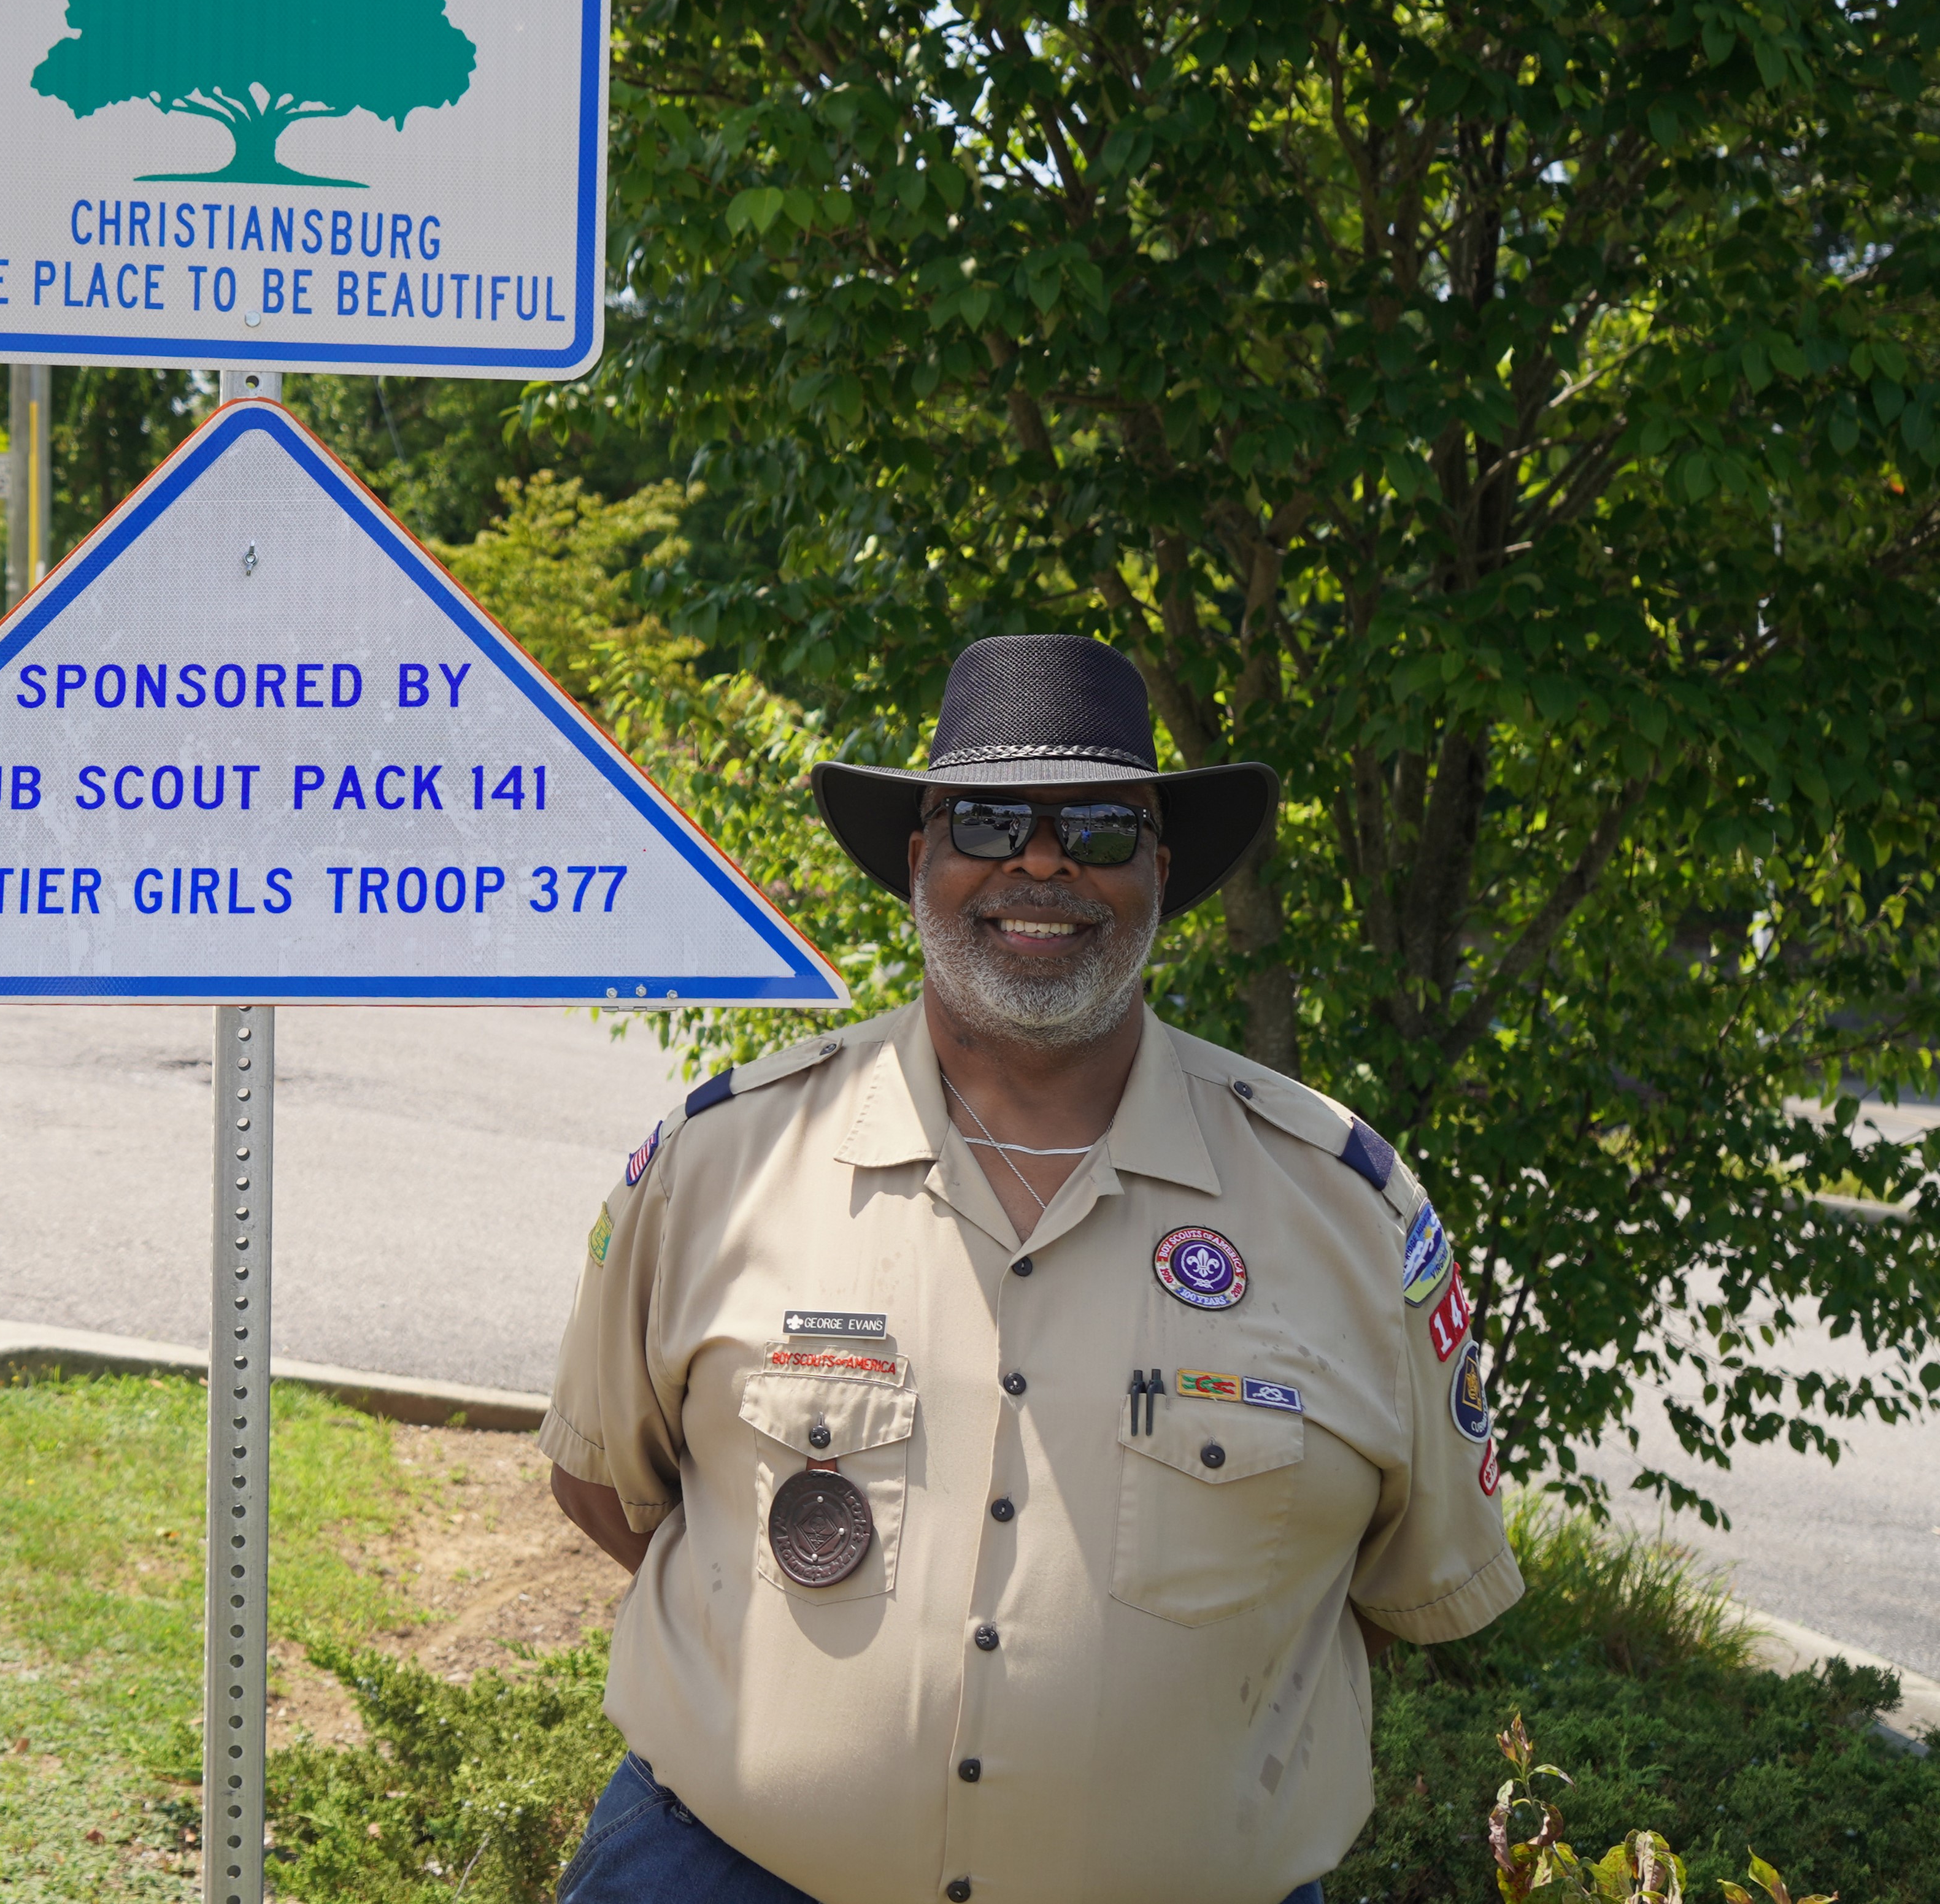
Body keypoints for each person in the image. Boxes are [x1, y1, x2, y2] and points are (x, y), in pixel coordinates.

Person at [542, 633, 1518, 1904]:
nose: (1041, 863)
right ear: (919, 859)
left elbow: (1396, 1589)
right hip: (724, 1872)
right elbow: (603, 1485)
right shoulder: (720, 1162)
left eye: (1101, 829)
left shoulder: (1343, 1209)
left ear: (1159, 871)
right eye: (991, 819)